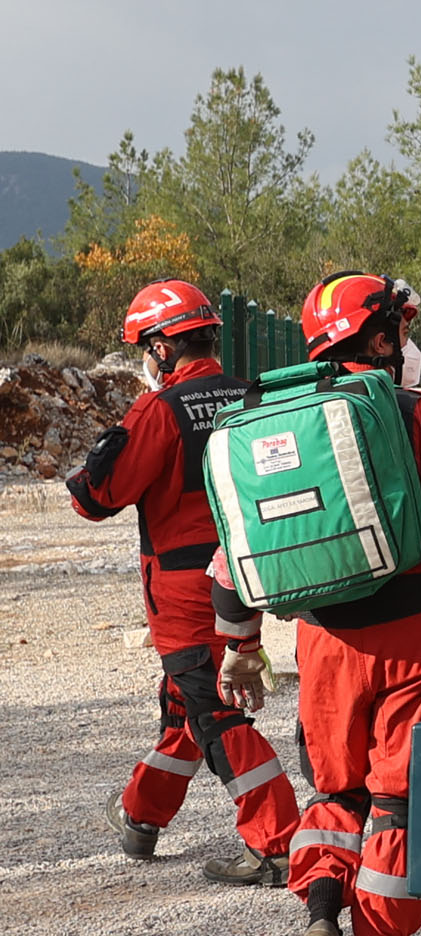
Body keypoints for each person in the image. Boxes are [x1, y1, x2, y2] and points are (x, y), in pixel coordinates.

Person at [212, 272, 421, 936]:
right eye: (398, 329)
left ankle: (319, 917)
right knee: (397, 800)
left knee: (337, 793)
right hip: (412, 642)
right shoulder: (417, 415)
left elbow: (233, 553)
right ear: (381, 338)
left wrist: (240, 643)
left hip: (324, 643)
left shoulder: (269, 416)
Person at [73, 280, 300, 884]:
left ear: (161, 348)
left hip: (183, 596)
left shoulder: (159, 410)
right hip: (245, 580)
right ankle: (140, 815)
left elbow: (100, 497)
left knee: (214, 713)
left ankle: (276, 844)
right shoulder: (249, 398)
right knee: (185, 707)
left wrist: (90, 469)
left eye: (145, 349)